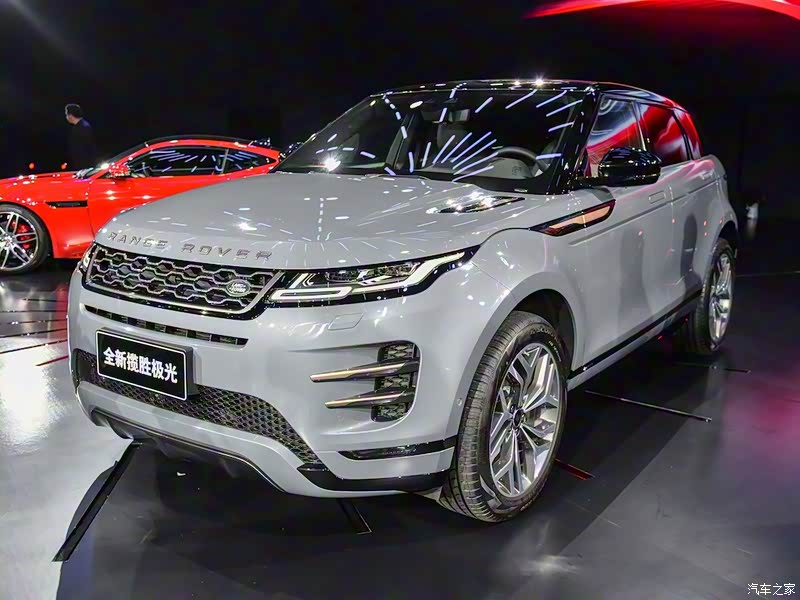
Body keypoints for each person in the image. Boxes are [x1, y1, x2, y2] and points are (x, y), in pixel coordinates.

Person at [64, 103, 98, 170]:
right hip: (81, 165)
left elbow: (87, 148)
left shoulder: (84, 127)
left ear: (70, 115)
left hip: (85, 166)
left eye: (66, 114)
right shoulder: (77, 127)